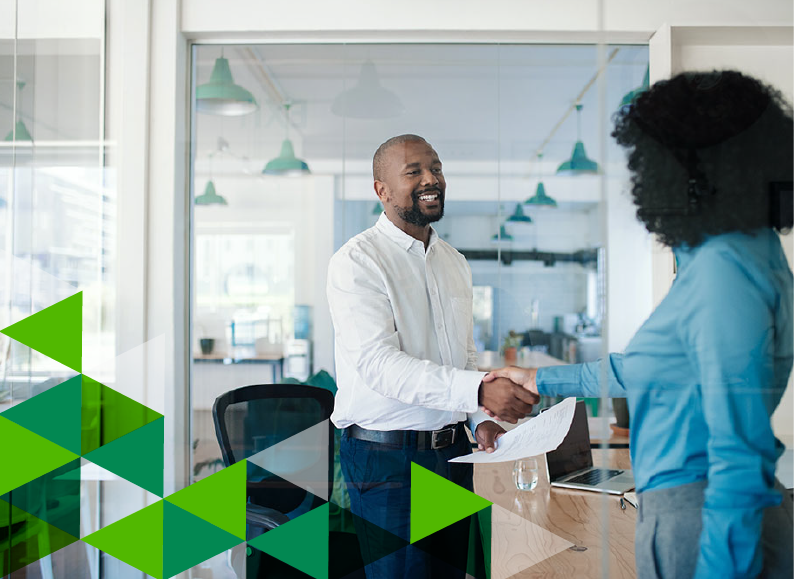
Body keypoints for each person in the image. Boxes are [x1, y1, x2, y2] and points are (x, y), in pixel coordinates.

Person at [486, 70, 794, 579]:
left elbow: (737, 455)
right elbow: (656, 369)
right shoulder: (725, 255)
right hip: (689, 510)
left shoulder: (725, 271)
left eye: (652, 159)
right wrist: (541, 380)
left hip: (707, 524)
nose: (643, 178)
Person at [327, 134, 537, 579]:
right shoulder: (358, 262)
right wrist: (480, 390)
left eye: (436, 168)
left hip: (452, 454)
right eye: (414, 172)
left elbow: (461, 353)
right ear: (381, 190)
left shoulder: (454, 262)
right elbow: (379, 366)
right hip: (385, 461)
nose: (431, 180)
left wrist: (478, 417)